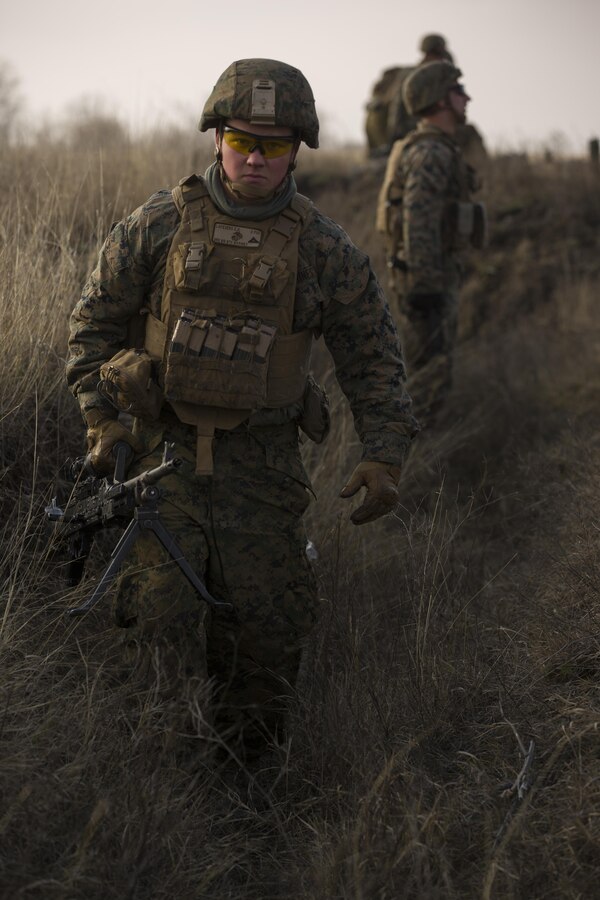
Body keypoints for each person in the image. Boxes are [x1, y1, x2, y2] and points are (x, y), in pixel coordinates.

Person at [66, 58, 418, 762]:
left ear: (297, 150)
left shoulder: (323, 248)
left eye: (275, 145)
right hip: (162, 469)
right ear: (218, 137)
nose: (255, 159)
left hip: (263, 472)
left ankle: (250, 797)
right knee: (155, 633)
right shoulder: (159, 226)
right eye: (242, 142)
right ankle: (154, 794)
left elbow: (372, 356)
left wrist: (383, 453)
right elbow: (92, 327)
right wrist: (101, 421)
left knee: (264, 645)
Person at [376, 60, 486, 421]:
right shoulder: (431, 153)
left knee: (432, 375)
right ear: (440, 100)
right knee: (426, 381)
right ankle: (416, 462)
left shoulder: (434, 147)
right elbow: (417, 220)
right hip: (428, 286)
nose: (467, 98)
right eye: (458, 91)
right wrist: (426, 288)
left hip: (431, 280)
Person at [366, 35, 488, 171]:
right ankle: (485, 172)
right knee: (469, 133)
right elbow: (397, 113)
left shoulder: (408, 74)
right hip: (409, 130)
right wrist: (396, 141)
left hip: (394, 135)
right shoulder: (421, 78)